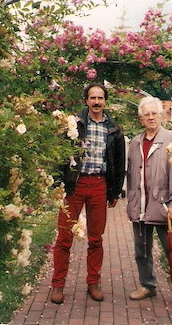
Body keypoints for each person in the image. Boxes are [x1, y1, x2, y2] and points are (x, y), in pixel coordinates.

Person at [50, 83, 126, 304]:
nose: (96, 102)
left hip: (99, 185)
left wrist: (114, 192)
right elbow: (60, 155)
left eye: (100, 98)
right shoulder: (74, 124)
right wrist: (58, 185)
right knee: (64, 236)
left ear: (105, 101)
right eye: (92, 98)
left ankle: (93, 282)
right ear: (86, 101)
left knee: (96, 238)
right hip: (75, 184)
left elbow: (119, 162)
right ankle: (58, 284)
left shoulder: (114, 129)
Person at [126, 96, 172, 311]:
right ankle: (147, 285)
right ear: (141, 119)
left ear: (162, 116)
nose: (151, 117)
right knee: (142, 250)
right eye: (146, 114)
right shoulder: (135, 142)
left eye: (154, 113)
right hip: (140, 206)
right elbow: (131, 174)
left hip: (164, 206)